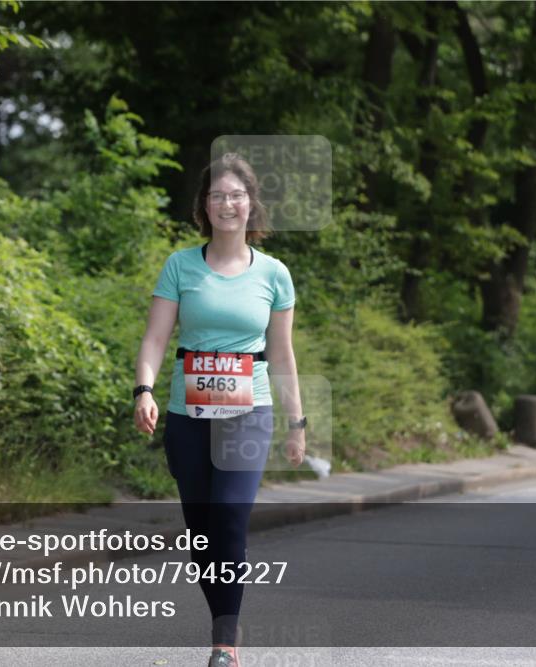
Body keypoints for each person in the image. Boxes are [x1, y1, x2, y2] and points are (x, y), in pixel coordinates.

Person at [133, 152, 306, 667]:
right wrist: (143, 391)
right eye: (216, 196)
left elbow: (281, 354)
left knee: (230, 519)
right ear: (203, 207)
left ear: (251, 204)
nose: (226, 204)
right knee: (203, 531)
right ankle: (224, 622)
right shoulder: (180, 265)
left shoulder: (274, 274)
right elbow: (156, 337)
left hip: (249, 411)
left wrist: (297, 423)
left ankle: (224, 643)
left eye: (236, 195)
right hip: (188, 414)